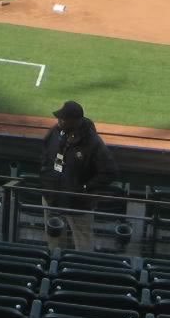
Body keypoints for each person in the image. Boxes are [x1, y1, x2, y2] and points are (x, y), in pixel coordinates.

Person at [39, 101, 117, 253]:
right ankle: (54, 267)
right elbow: (45, 155)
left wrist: (85, 188)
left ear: (75, 121)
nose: (59, 121)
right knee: (54, 238)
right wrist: (46, 181)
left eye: (63, 118)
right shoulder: (55, 132)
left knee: (83, 243)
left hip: (78, 202)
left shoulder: (92, 142)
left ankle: (80, 271)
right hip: (53, 197)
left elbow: (109, 171)